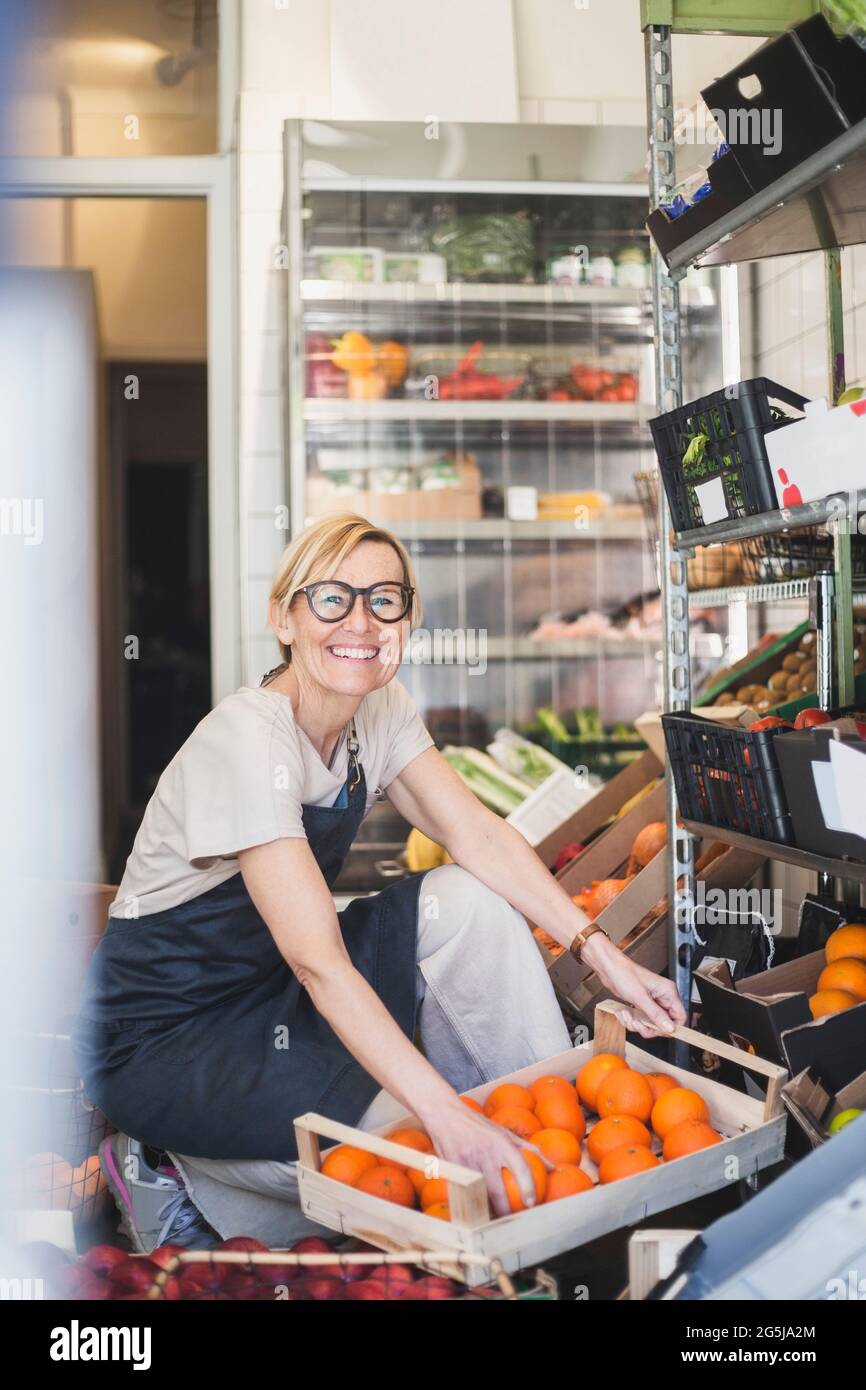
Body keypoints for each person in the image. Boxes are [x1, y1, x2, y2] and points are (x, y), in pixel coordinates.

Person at [72, 512, 685, 1252]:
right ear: (284, 619)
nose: (360, 620)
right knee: (409, 1151)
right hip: (173, 1037)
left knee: (466, 899)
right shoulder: (247, 737)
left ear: (408, 617)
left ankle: (551, 1131)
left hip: (273, 993)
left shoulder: (379, 709)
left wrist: (602, 951)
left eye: (384, 599)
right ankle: (179, 1171)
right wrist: (443, 1115)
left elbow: (479, 836)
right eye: (331, 598)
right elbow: (317, 961)